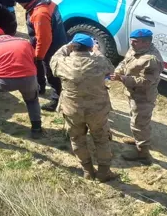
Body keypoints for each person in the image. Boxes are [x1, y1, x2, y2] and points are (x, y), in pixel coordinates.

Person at [50, 34, 118, 182]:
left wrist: (67, 46)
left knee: (77, 139)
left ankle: (87, 170)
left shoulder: (62, 63)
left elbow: (55, 58)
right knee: (101, 139)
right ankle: (104, 172)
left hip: (72, 109)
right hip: (97, 110)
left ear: (73, 47)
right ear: (90, 48)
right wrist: (97, 51)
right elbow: (110, 69)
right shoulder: (100, 62)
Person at [0, 27, 42, 137]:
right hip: (28, 79)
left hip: (3, 81)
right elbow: (34, 60)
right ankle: (36, 128)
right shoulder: (23, 41)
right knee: (32, 101)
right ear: (3, 33)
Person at [111, 28, 164, 165]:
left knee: (140, 123)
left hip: (143, 97)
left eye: (135, 42)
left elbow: (145, 82)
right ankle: (137, 140)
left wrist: (122, 78)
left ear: (146, 43)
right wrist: (117, 72)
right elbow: (125, 62)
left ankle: (143, 153)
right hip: (133, 93)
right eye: (132, 41)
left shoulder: (152, 60)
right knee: (135, 118)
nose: (132, 44)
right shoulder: (136, 49)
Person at [13, 0, 68, 112]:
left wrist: (39, 55)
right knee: (39, 66)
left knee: (51, 73)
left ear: (24, 1)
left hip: (50, 47)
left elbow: (44, 39)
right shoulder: (46, 2)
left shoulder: (40, 13)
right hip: (57, 40)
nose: (20, 6)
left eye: (19, 2)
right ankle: (40, 87)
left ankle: (56, 100)